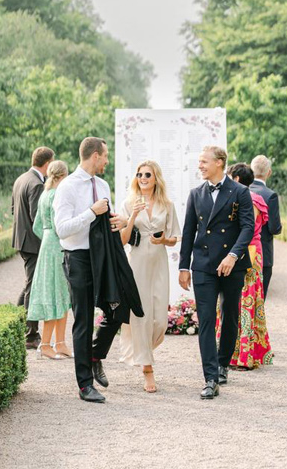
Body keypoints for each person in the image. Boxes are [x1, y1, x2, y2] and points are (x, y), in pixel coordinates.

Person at [54, 137, 129, 404]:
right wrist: (90, 212)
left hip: (104, 258)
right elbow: (61, 229)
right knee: (84, 320)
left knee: (119, 309)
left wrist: (118, 220)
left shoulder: (103, 185)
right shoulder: (68, 187)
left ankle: (95, 355)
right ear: (95, 156)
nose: (107, 160)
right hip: (78, 259)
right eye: (105, 156)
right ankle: (85, 384)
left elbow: (107, 217)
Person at [177, 145, 254, 400]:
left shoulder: (240, 192)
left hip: (232, 265)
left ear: (219, 162)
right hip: (203, 265)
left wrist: (233, 255)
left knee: (230, 315)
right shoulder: (195, 194)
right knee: (207, 320)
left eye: (203, 161)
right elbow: (189, 232)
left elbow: (247, 227)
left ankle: (223, 362)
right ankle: (210, 378)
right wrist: (183, 266)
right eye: (199, 161)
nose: (200, 165)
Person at [118, 159, 178, 393]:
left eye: (147, 175)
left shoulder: (167, 205)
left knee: (160, 320)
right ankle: (147, 369)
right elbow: (122, 239)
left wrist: (162, 239)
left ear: (156, 179)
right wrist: (132, 216)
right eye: (139, 174)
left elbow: (173, 239)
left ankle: (142, 350)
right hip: (138, 262)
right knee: (140, 316)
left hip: (159, 262)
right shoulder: (128, 203)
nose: (143, 178)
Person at [224, 162, 273, 370]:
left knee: (242, 302)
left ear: (235, 179)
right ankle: (246, 352)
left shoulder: (247, 198)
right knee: (249, 303)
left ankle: (241, 355)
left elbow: (247, 228)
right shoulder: (259, 199)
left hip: (245, 254)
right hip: (256, 253)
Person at [26, 160, 72, 360]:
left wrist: (47, 237)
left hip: (47, 244)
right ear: (63, 176)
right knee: (56, 294)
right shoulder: (56, 195)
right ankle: (46, 344)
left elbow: (37, 226)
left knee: (59, 294)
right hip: (57, 246)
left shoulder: (45, 194)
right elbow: (59, 225)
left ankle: (60, 342)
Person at [11, 147, 54, 348]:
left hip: (21, 239)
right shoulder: (37, 184)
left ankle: (15, 322)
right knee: (33, 286)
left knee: (30, 282)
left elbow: (14, 210)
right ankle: (30, 334)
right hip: (34, 243)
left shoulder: (21, 179)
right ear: (47, 164)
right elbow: (38, 218)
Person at [249, 154, 282, 297]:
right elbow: (274, 228)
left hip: (241, 253)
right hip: (262, 254)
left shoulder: (241, 191)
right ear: (269, 172)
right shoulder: (270, 195)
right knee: (260, 299)